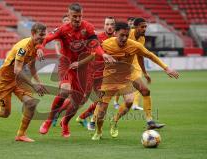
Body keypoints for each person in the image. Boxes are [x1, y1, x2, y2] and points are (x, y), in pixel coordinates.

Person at [37, 3, 115, 138]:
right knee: (65, 90)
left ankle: (65, 122)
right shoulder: (62, 29)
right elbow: (47, 38)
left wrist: (103, 54)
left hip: (82, 67)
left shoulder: (88, 27)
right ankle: (49, 120)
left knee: (77, 102)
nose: (77, 19)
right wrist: (39, 46)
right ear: (69, 16)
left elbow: (95, 45)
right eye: (74, 16)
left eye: (80, 16)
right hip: (66, 64)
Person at [92, 22, 179, 140]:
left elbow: (150, 55)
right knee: (102, 110)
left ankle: (115, 121)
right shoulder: (106, 44)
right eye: (121, 35)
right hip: (109, 79)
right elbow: (94, 51)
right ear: (115, 33)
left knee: (129, 101)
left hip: (127, 76)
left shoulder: (134, 45)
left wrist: (166, 68)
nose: (124, 38)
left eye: (126, 36)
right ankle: (99, 131)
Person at [0, 23, 48, 142]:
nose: (43, 38)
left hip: (18, 81)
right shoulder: (23, 48)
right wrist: (33, 85)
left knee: (31, 103)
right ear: (33, 34)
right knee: (5, 113)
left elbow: (32, 66)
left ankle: (20, 135)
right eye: (40, 35)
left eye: (44, 35)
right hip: (4, 81)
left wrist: (39, 82)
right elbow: (17, 70)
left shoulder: (36, 46)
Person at [75, 16, 115, 130]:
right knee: (82, 99)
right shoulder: (97, 37)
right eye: (107, 24)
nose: (110, 27)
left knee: (101, 100)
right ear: (104, 25)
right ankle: (60, 115)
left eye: (112, 24)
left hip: (105, 75)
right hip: (91, 73)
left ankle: (91, 120)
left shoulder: (117, 39)